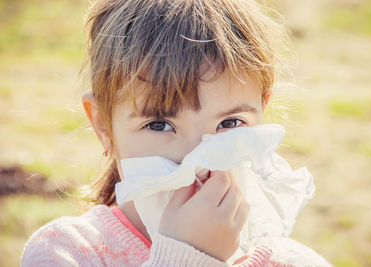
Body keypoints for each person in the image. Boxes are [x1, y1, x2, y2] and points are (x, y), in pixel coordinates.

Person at [21, 0, 330, 266]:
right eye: (159, 125)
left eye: (230, 124)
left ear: (261, 115)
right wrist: (188, 257)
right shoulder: (66, 252)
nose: (196, 161)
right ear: (104, 126)